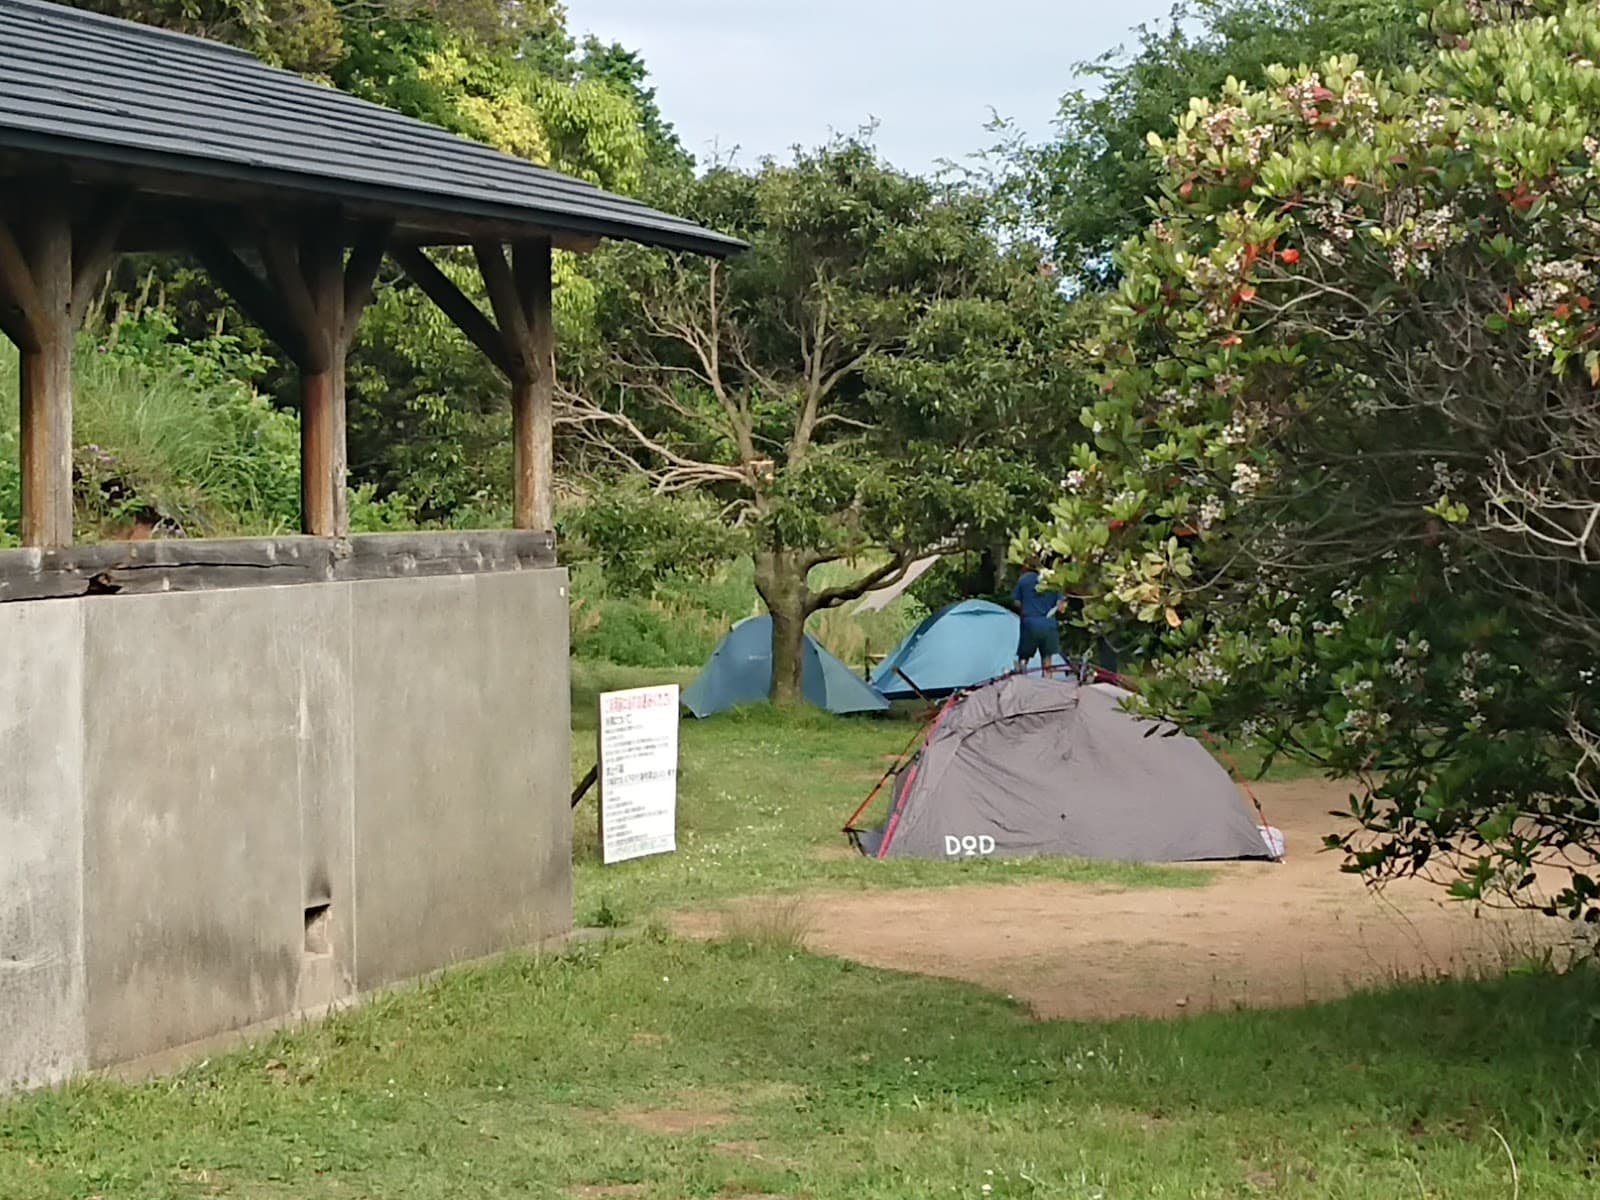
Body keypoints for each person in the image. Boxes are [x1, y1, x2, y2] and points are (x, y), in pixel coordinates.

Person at [1011, 556, 1068, 678]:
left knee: (1024, 657)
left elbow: (1016, 602)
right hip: (1049, 624)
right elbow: (1061, 607)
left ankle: (1021, 682)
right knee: (1047, 661)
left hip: (1029, 623)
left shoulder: (1023, 580)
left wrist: (1025, 607)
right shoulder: (1052, 581)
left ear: (1026, 566)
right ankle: (1047, 687)